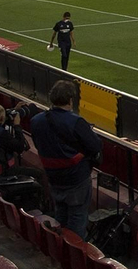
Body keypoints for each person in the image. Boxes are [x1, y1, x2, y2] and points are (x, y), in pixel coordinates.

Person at [30, 80, 102, 238]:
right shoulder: (75, 122)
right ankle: (73, 250)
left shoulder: (36, 120)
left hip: (53, 176)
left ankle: (59, 245)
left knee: (60, 215)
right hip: (76, 178)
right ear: (70, 100)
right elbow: (95, 146)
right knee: (77, 218)